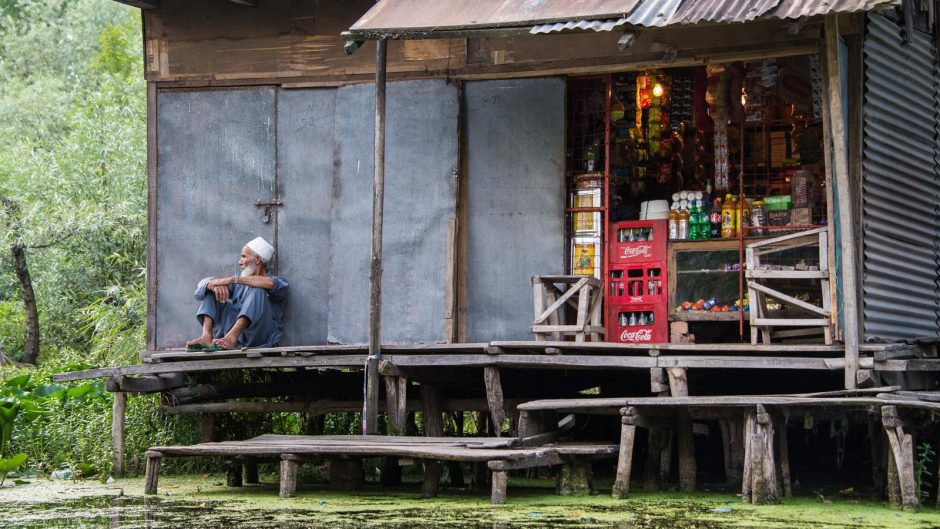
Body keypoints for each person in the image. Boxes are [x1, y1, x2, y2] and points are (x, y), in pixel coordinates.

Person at [185, 237, 288, 350]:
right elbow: (199, 293)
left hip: (258, 337)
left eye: (243, 257)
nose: (240, 262)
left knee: (258, 289)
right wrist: (212, 285)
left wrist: (232, 280)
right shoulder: (239, 285)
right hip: (233, 338)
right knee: (212, 292)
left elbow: (269, 283)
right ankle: (206, 337)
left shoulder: (277, 282)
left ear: (257, 260)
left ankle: (231, 338)